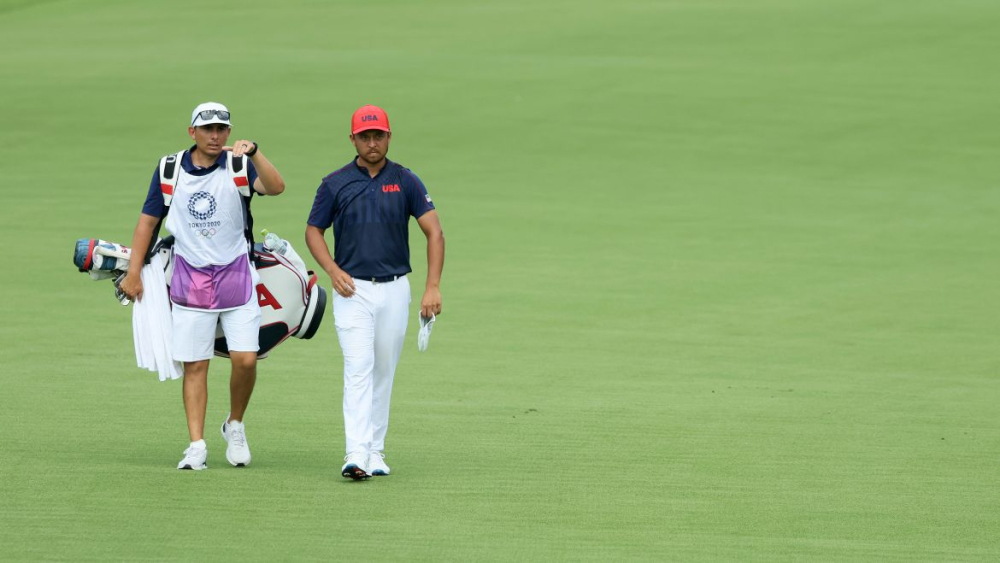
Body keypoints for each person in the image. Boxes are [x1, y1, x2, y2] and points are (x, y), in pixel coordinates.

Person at [120, 102, 286, 470]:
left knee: (245, 359)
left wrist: (255, 152)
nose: (215, 135)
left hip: (237, 276)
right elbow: (147, 223)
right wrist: (134, 272)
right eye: (208, 128)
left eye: (222, 129)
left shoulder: (240, 166)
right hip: (190, 279)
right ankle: (196, 445)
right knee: (195, 365)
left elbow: (276, 187)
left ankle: (235, 424)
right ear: (192, 132)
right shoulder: (169, 170)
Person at [305, 104, 444, 480]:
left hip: (396, 290)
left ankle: (376, 452)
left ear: (388, 137)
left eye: (378, 135)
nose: (372, 143)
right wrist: (332, 270)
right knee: (358, 368)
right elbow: (313, 230)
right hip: (353, 291)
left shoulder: (406, 180)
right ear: (352, 139)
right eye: (364, 136)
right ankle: (355, 453)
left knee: (383, 370)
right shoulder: (335, 183)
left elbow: (434, 231)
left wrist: (433, 286)